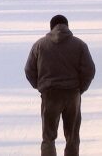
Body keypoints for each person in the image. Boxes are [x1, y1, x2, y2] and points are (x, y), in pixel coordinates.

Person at [24, 15, 96, 156]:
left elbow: (29, 70)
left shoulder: (39, 45)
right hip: (72, 94)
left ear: (51, 27)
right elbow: (89, 70)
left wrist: (40, 86)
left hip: (50, 94)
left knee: (48, 137)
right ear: (67, 26)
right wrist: (80, 89)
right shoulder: (79, 45)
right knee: (72, 137)